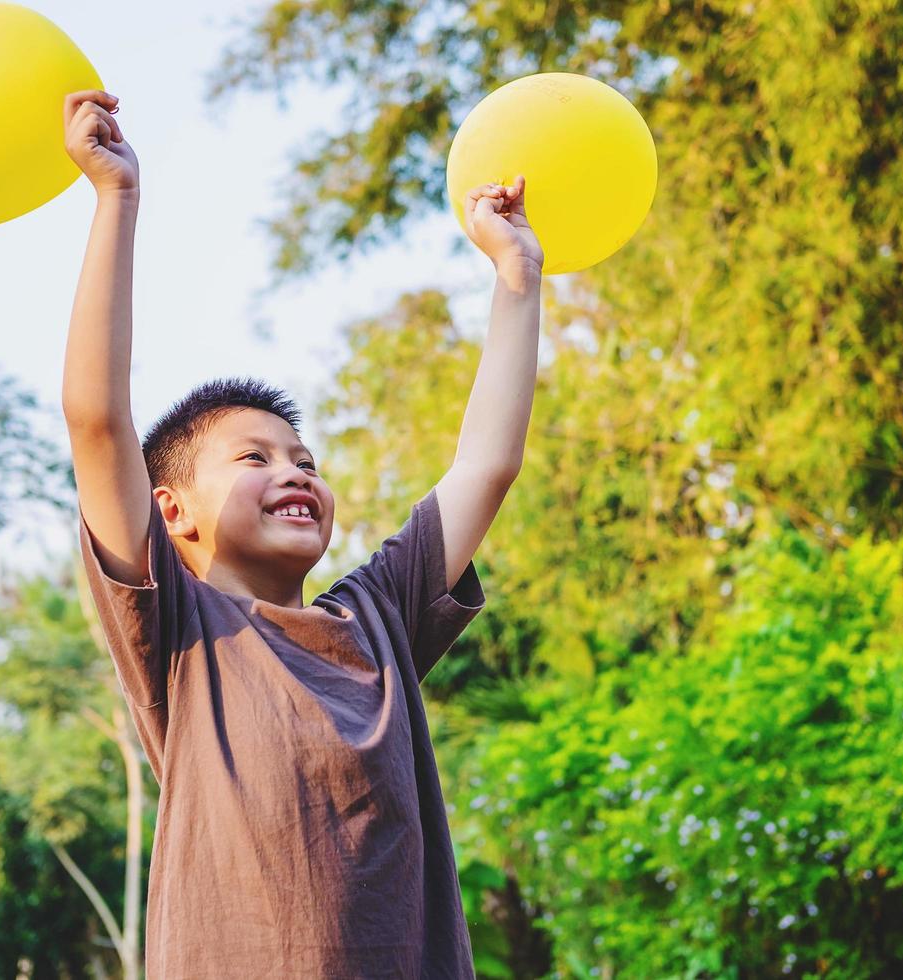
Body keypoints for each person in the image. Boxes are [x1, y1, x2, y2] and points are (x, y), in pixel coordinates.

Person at [61, 89, 542, 978]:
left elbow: (486, 466)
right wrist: (116, 200)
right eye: (255, 458)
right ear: (175, 515)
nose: (294, 472)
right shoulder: (178, 634)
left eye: (306, 459)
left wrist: (516, 280)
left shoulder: (379, 621)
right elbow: (97, 421)